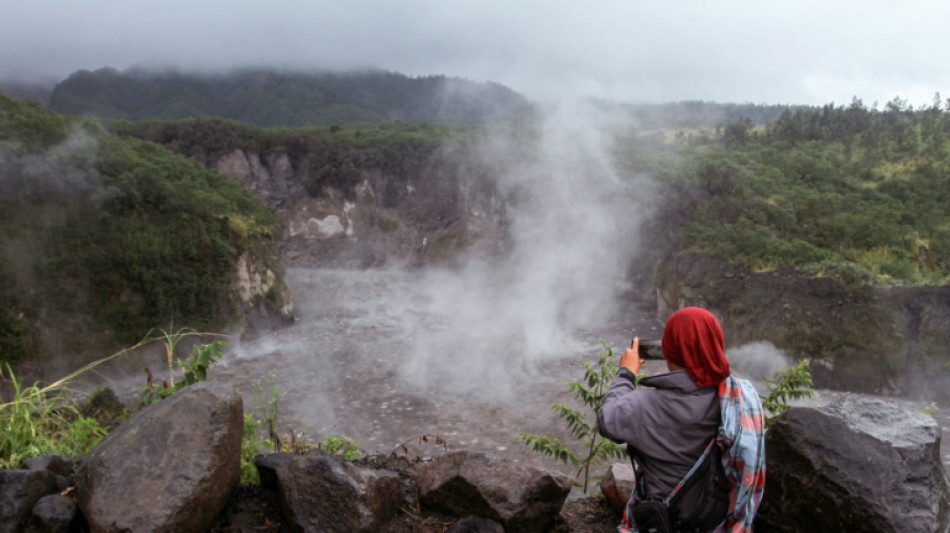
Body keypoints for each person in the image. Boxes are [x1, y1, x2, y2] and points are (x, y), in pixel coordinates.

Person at [597, 307, 766, 533]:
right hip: (715, 522)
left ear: (670, 349)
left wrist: (626, 374)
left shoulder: (643, 405)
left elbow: (607, 420)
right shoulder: (739, 398)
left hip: (662, 523)